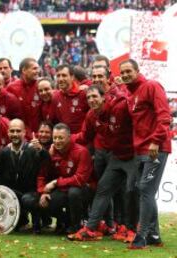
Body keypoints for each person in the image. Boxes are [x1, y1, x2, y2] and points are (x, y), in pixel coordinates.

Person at [69, 85, 138, 242]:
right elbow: (85, 136)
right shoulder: (91, 116)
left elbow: (138, 118)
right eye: (88, 98)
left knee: (132, 192)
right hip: (116, 156)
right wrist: (67, 138)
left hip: (133, 155)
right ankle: (91, 229)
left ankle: (133, 229)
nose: (92, 100)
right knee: (103, 189)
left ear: (103, 97)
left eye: (94, 96)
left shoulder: (119, 107)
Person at [120, 59, 171, 249]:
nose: (125, 75)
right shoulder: (129, 93)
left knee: (145, 189)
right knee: (142, 190)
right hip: (139, 149)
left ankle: (141, 237)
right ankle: (154, 235)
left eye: (128, 71)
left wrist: (155, 140)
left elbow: (164, 115)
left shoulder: (151, 86)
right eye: (122, 72)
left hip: (155, 148)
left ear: (137, 70)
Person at [0, 119, 49, 233]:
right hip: (12, 192)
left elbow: (47, 164)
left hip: (31, 192)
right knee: (5, 193)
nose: (15, 134)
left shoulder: (33, 150)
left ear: (24, 132)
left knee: (27, 199)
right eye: (12, 131)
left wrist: (41, 150)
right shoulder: (3, 153)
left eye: (18, 131)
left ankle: (37, 223)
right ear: (8, 133)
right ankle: (20, 221)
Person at [37, 123, 94, 234]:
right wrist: (43, 191)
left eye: (61, 138)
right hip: (63, 189)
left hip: (83, 189)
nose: (57, 141)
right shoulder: (51, 152)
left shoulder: (82, 152)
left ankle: (77, 226)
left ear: (69, 137)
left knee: (74, 192)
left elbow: (79, 179)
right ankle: (65, 222)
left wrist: (56, 182)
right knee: (43, 202)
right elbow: (41, 175)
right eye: (55, 138)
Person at [6, 58, 40, 135]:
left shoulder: (41, 86)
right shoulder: (11, 88)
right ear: (24, 70)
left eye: (38, 68)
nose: (37, 71)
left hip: (39, 136)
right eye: (34, 68)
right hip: (19, 135)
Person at [51, 65, 89, 133]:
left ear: (72, 77)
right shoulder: (55, 97)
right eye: (58, 76)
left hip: (82, 140)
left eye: (64, 75)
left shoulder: (83, 94)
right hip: (64, 140)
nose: (60, 79)